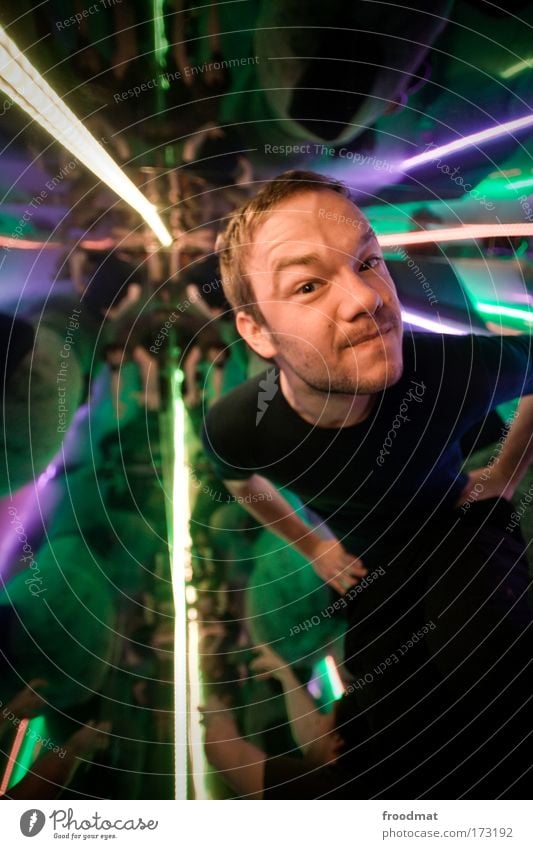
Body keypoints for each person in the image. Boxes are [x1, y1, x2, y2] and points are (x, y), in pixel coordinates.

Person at [201, 170, 533, 797]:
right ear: (256, 331)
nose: (366, 299)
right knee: (377, 732)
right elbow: (238, 479)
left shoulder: (447, 369)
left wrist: (506, 472)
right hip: (374, 574)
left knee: (493, 702)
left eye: (368, 261)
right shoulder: (241, 423)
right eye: (307, 284)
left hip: (460, 533)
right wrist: (314, 545)